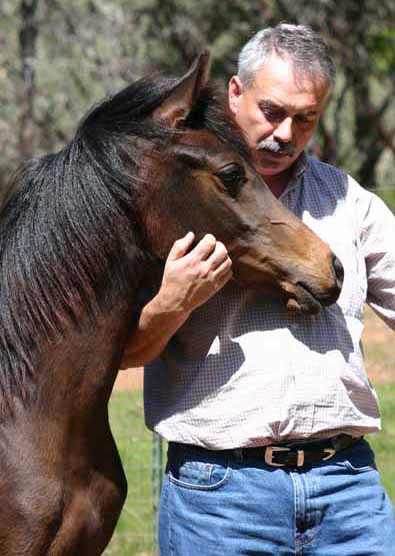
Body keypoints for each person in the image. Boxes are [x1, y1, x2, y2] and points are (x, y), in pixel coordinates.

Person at [121, 24, 395, 555]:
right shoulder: (166, 202)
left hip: (347, 487)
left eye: (305, 119)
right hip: (220, 497)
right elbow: (125, 354)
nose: (285, 134)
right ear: (235, 93)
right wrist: (172, 301)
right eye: (272, 111)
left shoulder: (350, 202)